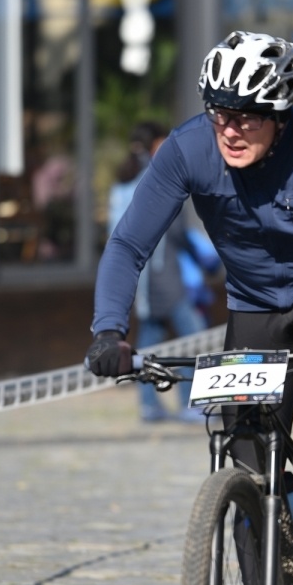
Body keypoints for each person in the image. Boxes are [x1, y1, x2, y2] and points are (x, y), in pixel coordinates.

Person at [87, 29, 293, 571]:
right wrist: (108, 330)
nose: (231, 129)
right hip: (255, 303)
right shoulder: (187, 149)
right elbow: (128, 244)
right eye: (220, 112)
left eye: (248, 116)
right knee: (245, 462)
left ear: (281, 114)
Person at [107, 122, 219, 422]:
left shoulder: (122, 182)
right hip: (162, 273)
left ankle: (148, 405)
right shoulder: (157, 177)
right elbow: (177, 230)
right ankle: (194, 403)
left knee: (151, 339)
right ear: (156, 144)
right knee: (194, 338)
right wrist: (206, 259)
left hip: (138, 279)